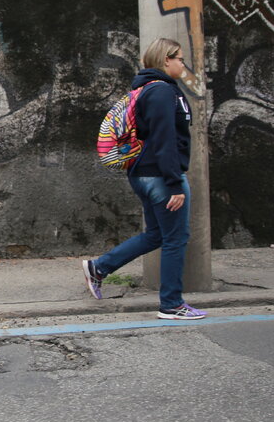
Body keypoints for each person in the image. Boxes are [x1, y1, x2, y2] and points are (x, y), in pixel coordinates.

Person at [82, 38, 206, 320]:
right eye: (179, 59)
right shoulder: (161, 92)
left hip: (144, 173)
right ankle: (172, 304)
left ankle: (99, 268)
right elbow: (165, 140)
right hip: (160, 177)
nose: (182, 64)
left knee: (157, 235)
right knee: (176, 238)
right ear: (166, 60)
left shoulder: (149, 90)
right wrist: (175, 184)